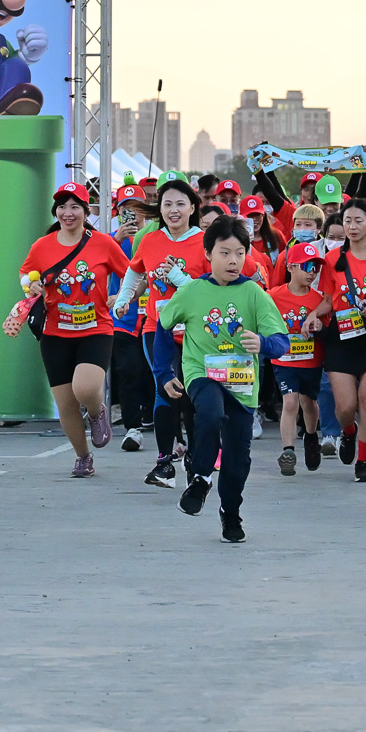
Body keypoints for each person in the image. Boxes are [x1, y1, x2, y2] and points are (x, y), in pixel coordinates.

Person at [151, 215, 288, 544]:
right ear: (208, 254)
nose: (233, 261)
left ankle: (230, 513)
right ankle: (200, 478)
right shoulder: (191, 291)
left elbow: (281, 342)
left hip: (241, 382)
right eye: (225, 253)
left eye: (240, 253)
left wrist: (263, 343)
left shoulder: (254, 293)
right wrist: (164, 373)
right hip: (202, 373)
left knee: (238, 461)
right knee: (210, 413)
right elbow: (163, 326)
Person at [13, 182, 130, 478]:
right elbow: (25, 274)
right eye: (62, 207)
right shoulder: (42, 245)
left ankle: (97, 411)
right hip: (55, 333)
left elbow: (131, 272)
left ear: (86, 212)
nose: (68, 212)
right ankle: (83, 457)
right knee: (65, 404)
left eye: (75, 206)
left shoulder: (103, 243)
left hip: (96, 329)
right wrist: (31, 284)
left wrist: (121, 296)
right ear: (56, 211)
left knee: (85, 388)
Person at [114, 176, 207, 488]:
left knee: (191, 393)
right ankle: (165, 463)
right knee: (164, 388)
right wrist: (124, 299)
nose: (173, 210)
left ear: (193, 207)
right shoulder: (150, 240)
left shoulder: (205, 242)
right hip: (158, 327)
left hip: (195, 330)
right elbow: (134, 270)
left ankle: (195, 459)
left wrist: (179, 278)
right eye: (167, 204)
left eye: (181, 203)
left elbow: (210, 291)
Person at [322, 196, 366, 482]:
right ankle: (348, 431)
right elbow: (327, 300)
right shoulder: (332, 260)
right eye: (347, 221)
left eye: (358, 221)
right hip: (341, 338)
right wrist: (312, 315)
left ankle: (363, 462)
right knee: (345, 407)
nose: (352, 226)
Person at [268, 240, 330, 475]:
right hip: (284, 360)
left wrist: (318, 326)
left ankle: (311, 437)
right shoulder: (274, 296)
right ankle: (288, 451)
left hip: (311, 360)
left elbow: (327, 327)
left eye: (316, 267)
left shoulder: (319, 300)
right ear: (290, 267)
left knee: (309, 403)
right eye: (306, 267)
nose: (312, 272)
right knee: (290, 402)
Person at [106, 185, 155, 454]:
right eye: (126, 208)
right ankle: (132, 427)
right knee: (128, 369)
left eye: (137, 207)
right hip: (122, 317)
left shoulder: (155, 236)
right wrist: (116, 240)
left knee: (154, 370)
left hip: (152, 315)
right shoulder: (110, 239)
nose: (132, 214)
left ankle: (155, 415)